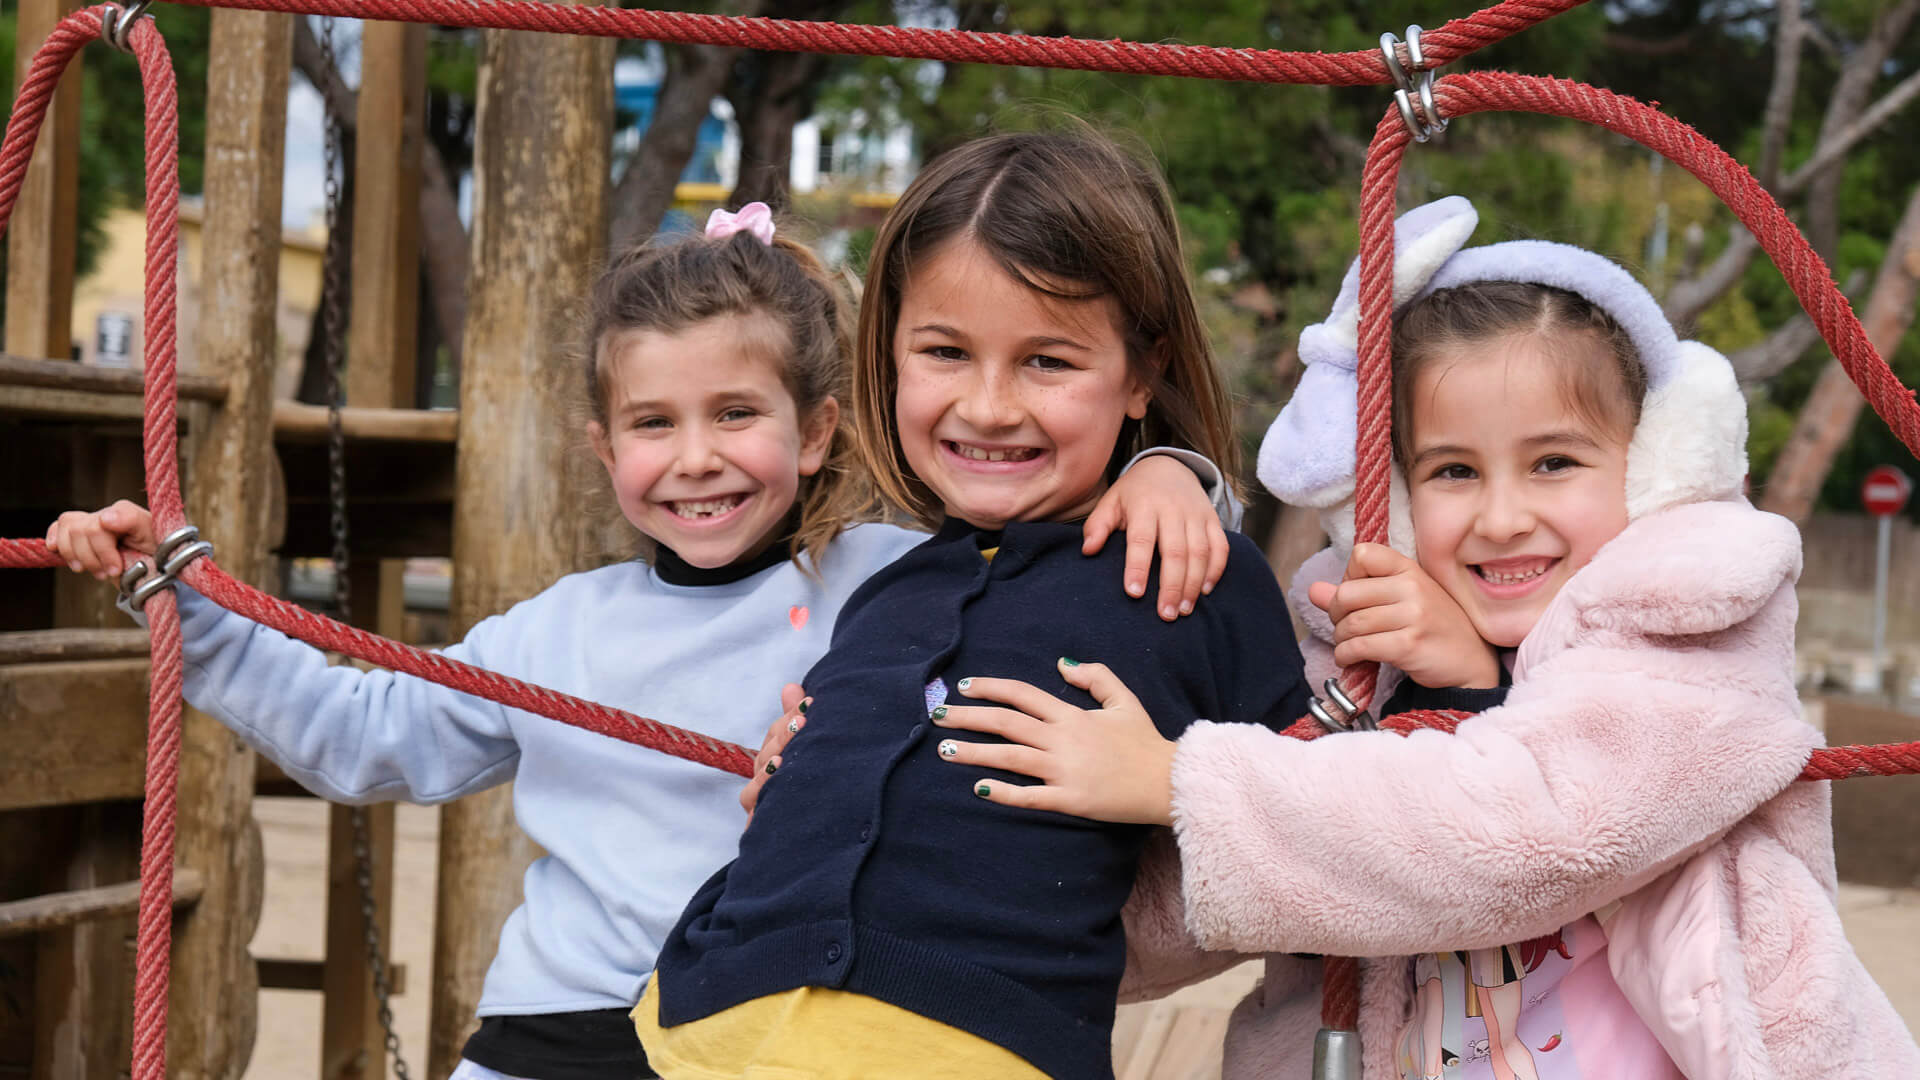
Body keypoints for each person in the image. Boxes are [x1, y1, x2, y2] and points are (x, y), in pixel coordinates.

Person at [42, 203, 1242, 1080]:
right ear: (602, 451)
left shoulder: (898, 585)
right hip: (552, 1032)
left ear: (818, 430)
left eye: (737, 414)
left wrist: (1175, 478)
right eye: (653, 424)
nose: (697, 458)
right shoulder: (557, 633)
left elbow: (1075, 546)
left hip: (782, 1033)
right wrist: (178, 601)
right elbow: (364, 739)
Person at [925, 197, 1920, 1078]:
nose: (1499, 518)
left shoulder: (1691, 625)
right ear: (1393, 500)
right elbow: (1222, 898)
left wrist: (1181, 783)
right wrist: (915, 814)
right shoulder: (1364, 653)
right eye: (1451, 472)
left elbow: (1532, 831)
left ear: (1655, 465)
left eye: (1554, 463)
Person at [632, 130, 1312, 1080]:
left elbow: (1319, 809)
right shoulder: (889, 589)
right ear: (893, 351)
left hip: (965, 1042)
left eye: (1047, 362)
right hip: (708, 1016)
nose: (989, 407)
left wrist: (1172, 777)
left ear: (1141, 374)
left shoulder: (1188, 566)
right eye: (946, 351)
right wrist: (807, 770)